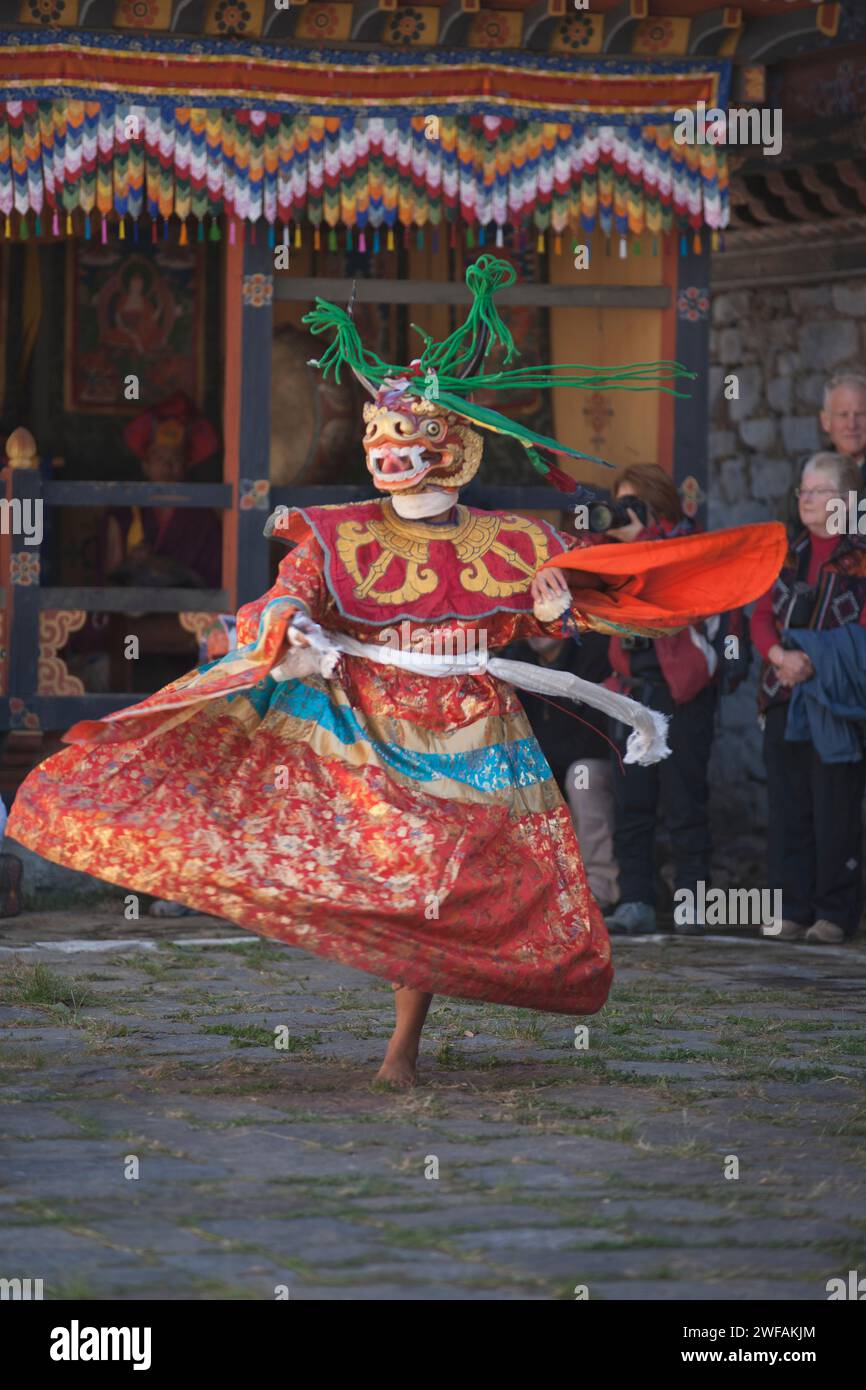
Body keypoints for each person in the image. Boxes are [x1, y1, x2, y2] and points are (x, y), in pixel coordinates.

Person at [5, 258, 785, 1087]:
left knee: (446, 887)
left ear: (447, 447)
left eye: (405, 437)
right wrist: (291, 627)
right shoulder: (338, 536)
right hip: (369, 717)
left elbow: (566, 622)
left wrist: (556, 609)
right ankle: (382, 1015)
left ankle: (403, 1047)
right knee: (401, 872)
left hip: (478, 724)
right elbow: (277, 599)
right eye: (377, 437)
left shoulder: (516, 542)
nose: (386, 451)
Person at [599, 464, 723, 936]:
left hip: (683, 696)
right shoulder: (613, 557)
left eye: (634, 503)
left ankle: (696, 901)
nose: (624, 514)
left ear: (657, 504)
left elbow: (680, 588)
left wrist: (645, 536)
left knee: (685, 802)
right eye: (620, 504)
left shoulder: (687, 546)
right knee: (632, 804)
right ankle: (636, 900)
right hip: (633, 697)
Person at [754, 451, 866, 944]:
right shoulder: (785, 551)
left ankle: (835, 913)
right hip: (782, 692)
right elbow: (758, 615)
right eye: (803, 490)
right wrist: (780, 656)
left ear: (845, 501)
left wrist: (815, 659)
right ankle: (792, 907)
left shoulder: (861, 557)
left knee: (834, 807)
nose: (807, 499)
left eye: (819, 491)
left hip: (834, 700)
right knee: (787, 806)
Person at [501, 628, 618, 913]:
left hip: (591, 760)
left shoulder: (594, 653)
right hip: (542, 763)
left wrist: (540, 761)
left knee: (583, 777)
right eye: (533, 618)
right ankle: (526, 888)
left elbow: (595, 736)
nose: (538, 627)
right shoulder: (516, 660)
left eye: (549, 617)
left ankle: (600, 888)